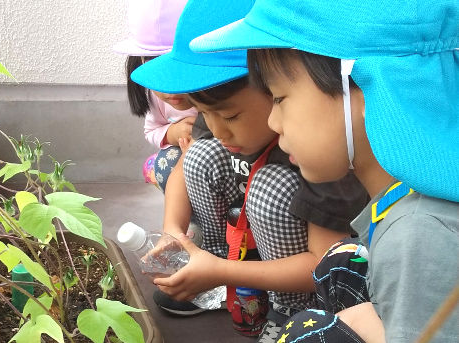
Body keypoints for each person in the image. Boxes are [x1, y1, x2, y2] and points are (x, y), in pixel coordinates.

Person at [190, 0, 459, 341]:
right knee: (339, 265)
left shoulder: (419, 236)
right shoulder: (412, 189)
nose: (274, 121)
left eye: (279, 98)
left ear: (361, 87)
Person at [131, 0, 370, 340]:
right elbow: (185, 170)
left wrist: (223, 271)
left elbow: (322, 261)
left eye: (230, 116)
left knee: (270, 187)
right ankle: (212, 264)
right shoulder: (220, 119)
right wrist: (175, 234)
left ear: (274, 90)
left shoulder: (318, 153)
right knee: (200, 155)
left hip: (309, 276)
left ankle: (290, 307)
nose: (218, 129)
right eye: (203, 113)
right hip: (250, 244)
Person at [113, 0, 198, 191]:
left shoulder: (220, 91)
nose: (169, 90)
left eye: (179, 71)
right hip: (183, 157)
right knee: (161, 165)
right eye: (157, 73)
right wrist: (174, 133)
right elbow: (151, 131)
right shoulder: (155, 95)